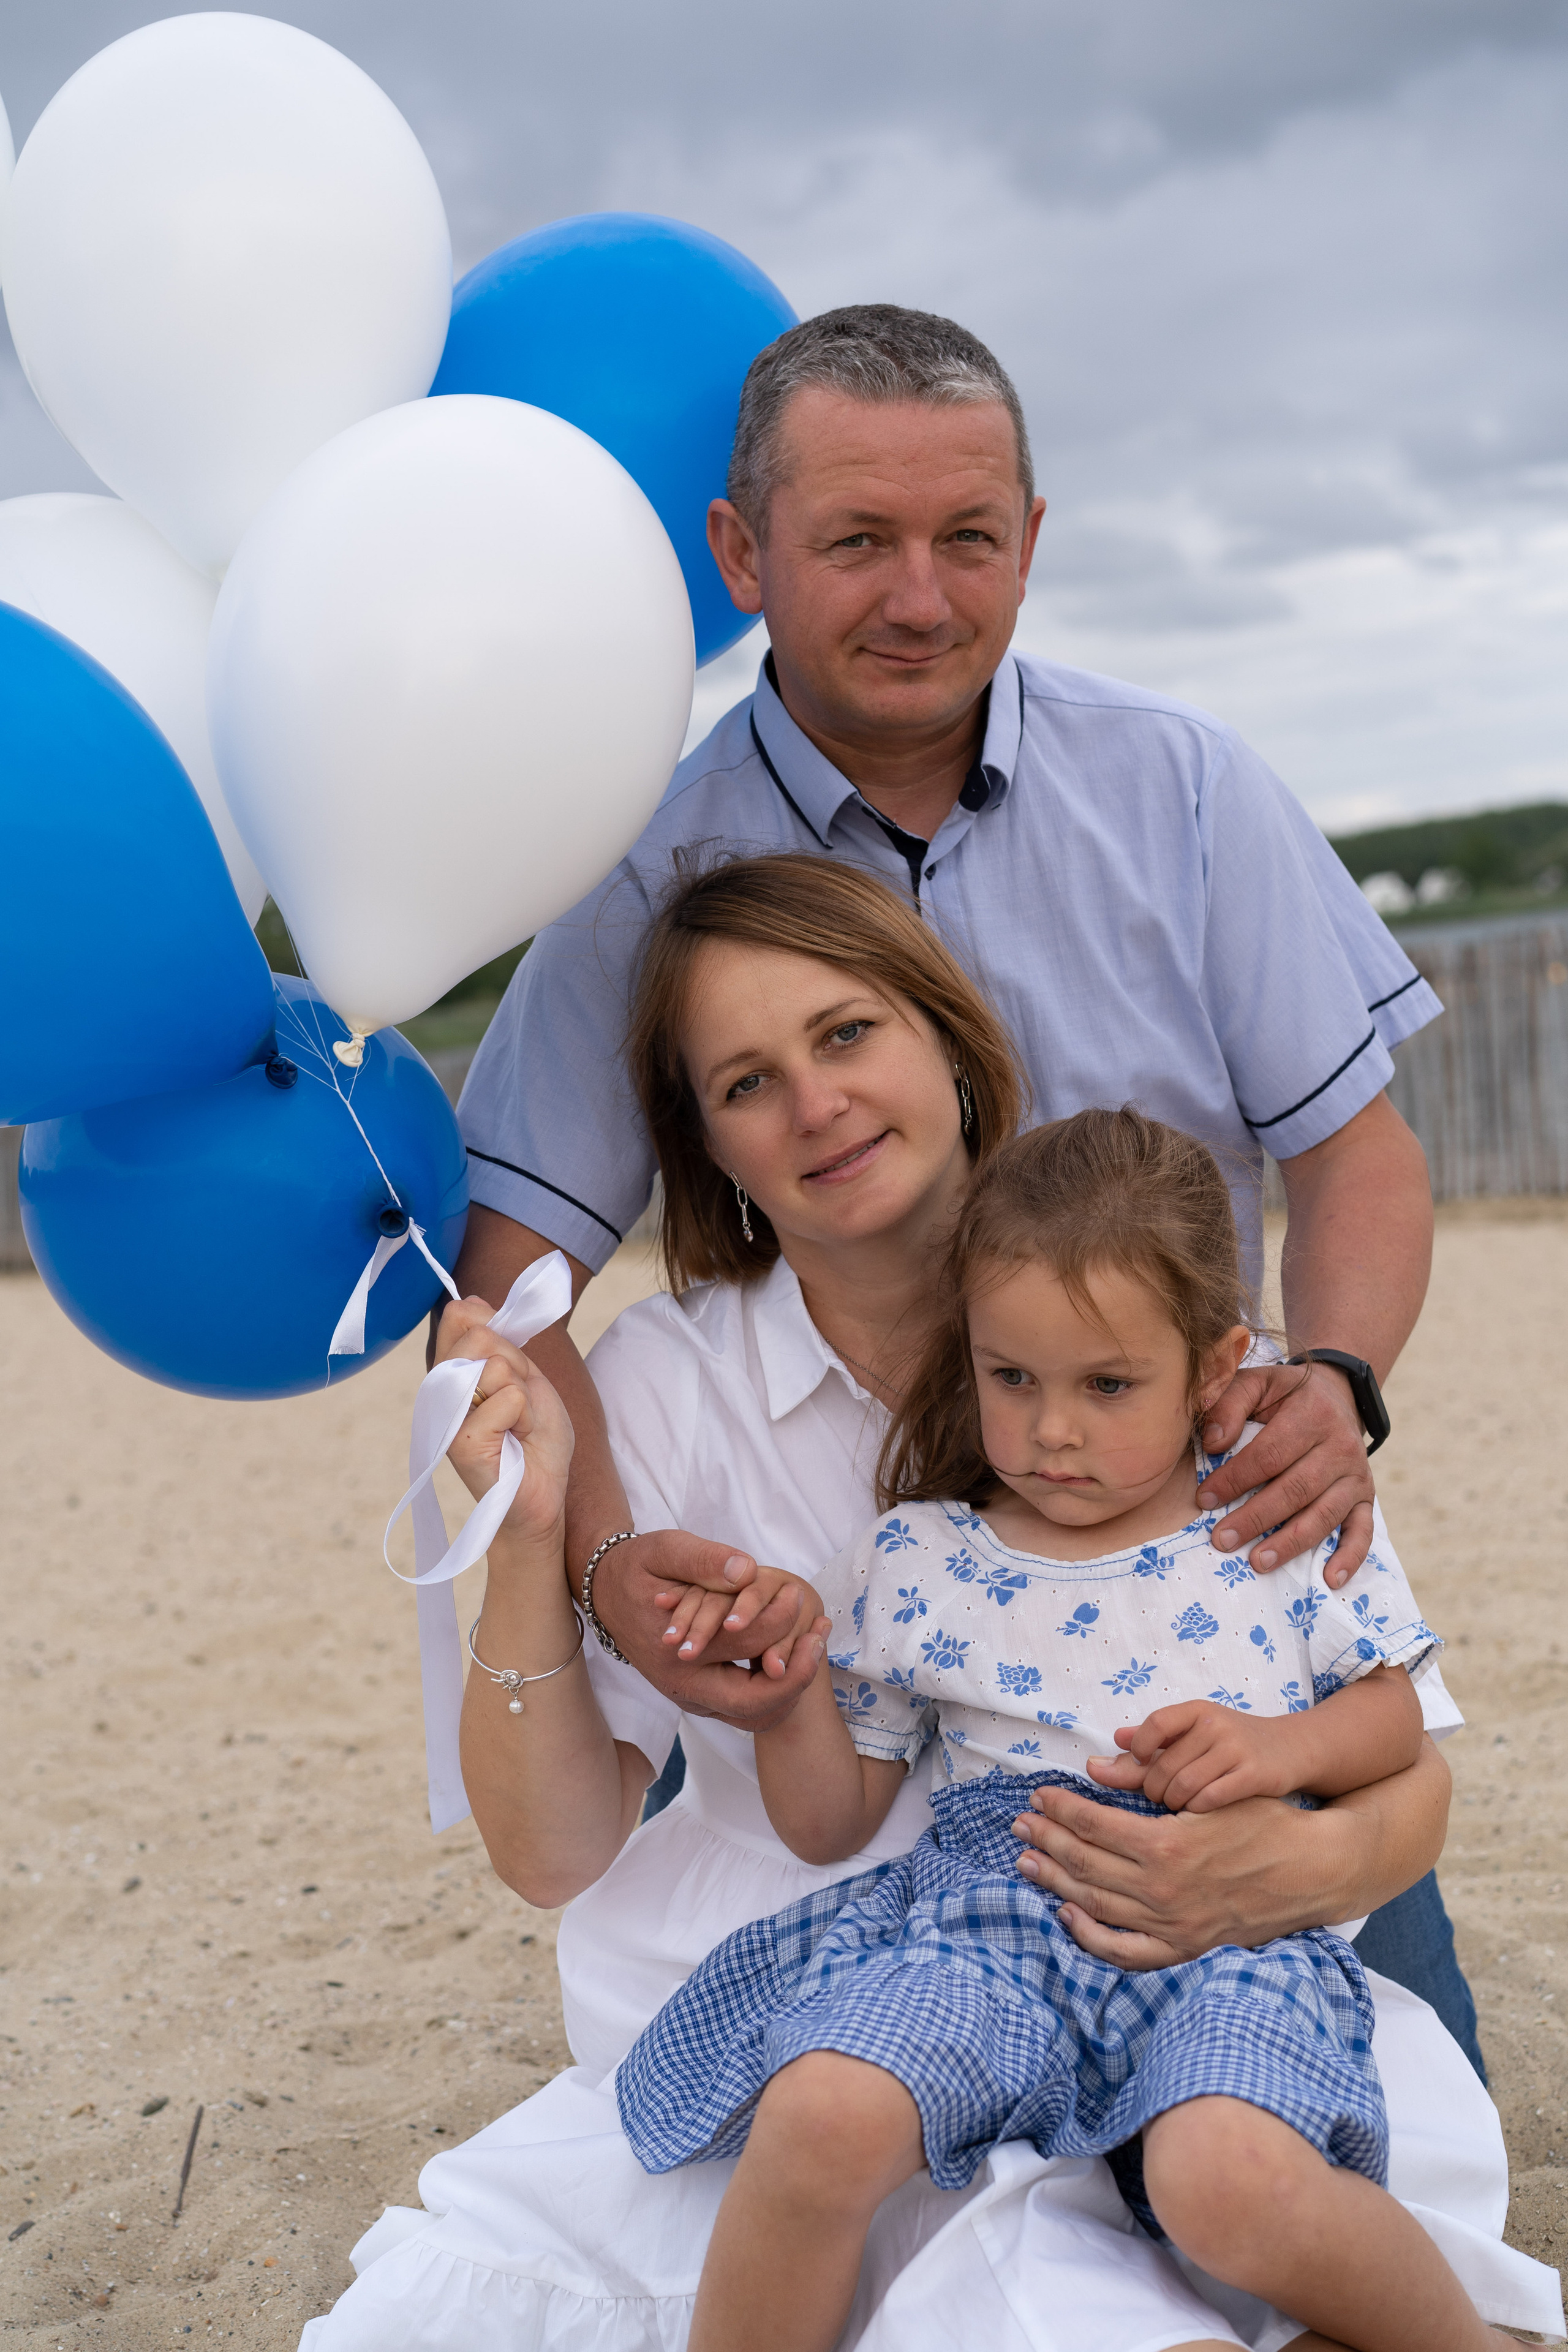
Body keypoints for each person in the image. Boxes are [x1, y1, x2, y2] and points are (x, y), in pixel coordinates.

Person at [301, 860, 1561, 2351]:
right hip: (882, 1997)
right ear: (703, 1142)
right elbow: (559, 1850)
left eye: (845, 1035)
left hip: (1204, 1964)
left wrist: (1272, 1849)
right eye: (746, 1081)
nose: (815, 1104)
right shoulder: (664, 1389)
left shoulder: (1220, 1402)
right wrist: (531, 1536)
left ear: (949, 1044)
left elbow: (1402, 1765)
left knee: (1200, 2226)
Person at [448, 302, 1471, 2046]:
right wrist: (610, 1574)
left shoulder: (1190, 787)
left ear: (1033, 541)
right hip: (867, 1631)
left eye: (969, 539)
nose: (922, 597)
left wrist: (1336, 1383)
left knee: (1379, 2151)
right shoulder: (637, 873)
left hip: (1196, 1569)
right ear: (742, 552)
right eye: (857, 541)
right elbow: (506, 1293)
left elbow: (1358, 1159)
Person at [616, 1110, 1509, 2352]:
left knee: (1227, 2182)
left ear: (1212, 1366)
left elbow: (1397, 1716)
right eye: (1010, 1378)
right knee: (819, 2114)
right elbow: (830, 1824)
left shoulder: (1272, 1517)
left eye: (1106, 1386)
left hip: (1227, 1939)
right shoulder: (914, 1559)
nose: (1050, 1432)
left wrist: (1278, 1754)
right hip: (989, 1924)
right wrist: (783, 1710)